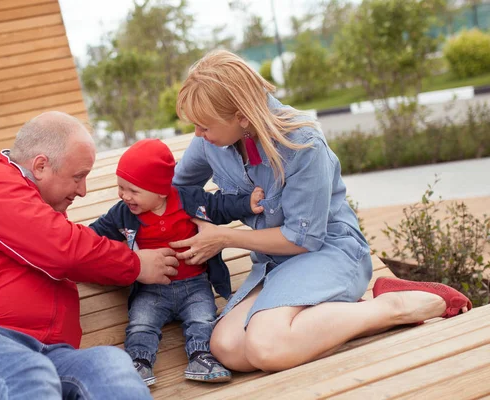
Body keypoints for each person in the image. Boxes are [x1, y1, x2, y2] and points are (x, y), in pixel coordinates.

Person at [170, 50, 473, 373]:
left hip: (329, 252)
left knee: (266, 346)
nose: (198, 135)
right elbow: (176, 190)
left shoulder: (302, 144)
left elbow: (303, 239)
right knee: (226, 347)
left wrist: (223, 238)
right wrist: (193, 221)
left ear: (242, 117)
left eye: (204, 126)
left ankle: (392, 306)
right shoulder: (212, 142)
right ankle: (331, 317)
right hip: (276, 265)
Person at [0, 112, 181, 399]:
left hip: (48, 355)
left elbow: (76, 249)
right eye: (78, 177)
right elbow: (64, 249)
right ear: (40, 165)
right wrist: (136, 264)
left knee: (111, 367)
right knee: (29, 374)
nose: (83, 191)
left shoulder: (43, 215)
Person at [90, 138, 265, 386]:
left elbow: (220, 205)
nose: (125, 196)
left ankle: (201, 356)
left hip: (194, 285)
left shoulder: (190, 200)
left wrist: (246, 203)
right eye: (121, 187)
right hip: (151, 290)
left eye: (133, 190)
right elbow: (93, 237)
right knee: (141, 323)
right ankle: (138, 364)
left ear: (161, 190)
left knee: (203, 318)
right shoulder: (121, 214)